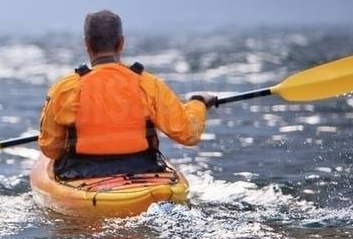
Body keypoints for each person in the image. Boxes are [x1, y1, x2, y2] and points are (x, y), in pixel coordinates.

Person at [38, 10, 218, 180]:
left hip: (81, 173)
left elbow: (50, 149)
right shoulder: (148, 84)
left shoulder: (65, 88)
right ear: (121, 43)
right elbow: (188, 134)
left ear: (87, 44)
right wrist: (198, 102)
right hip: (142, 168)